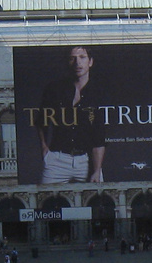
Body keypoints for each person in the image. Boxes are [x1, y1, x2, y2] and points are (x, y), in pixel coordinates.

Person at [35, 46, 106, 184]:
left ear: (90, 62)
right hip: (57, 160)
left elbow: (99, 136)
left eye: (82, 57)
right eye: (72, 58)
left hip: (87, 161)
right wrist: (44, 148)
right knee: (46, 202)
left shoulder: (98, 92)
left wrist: (97, 170)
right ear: (67, 62)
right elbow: (41, 121)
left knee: (97, 202)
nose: (77, 63)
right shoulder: (54, 89)